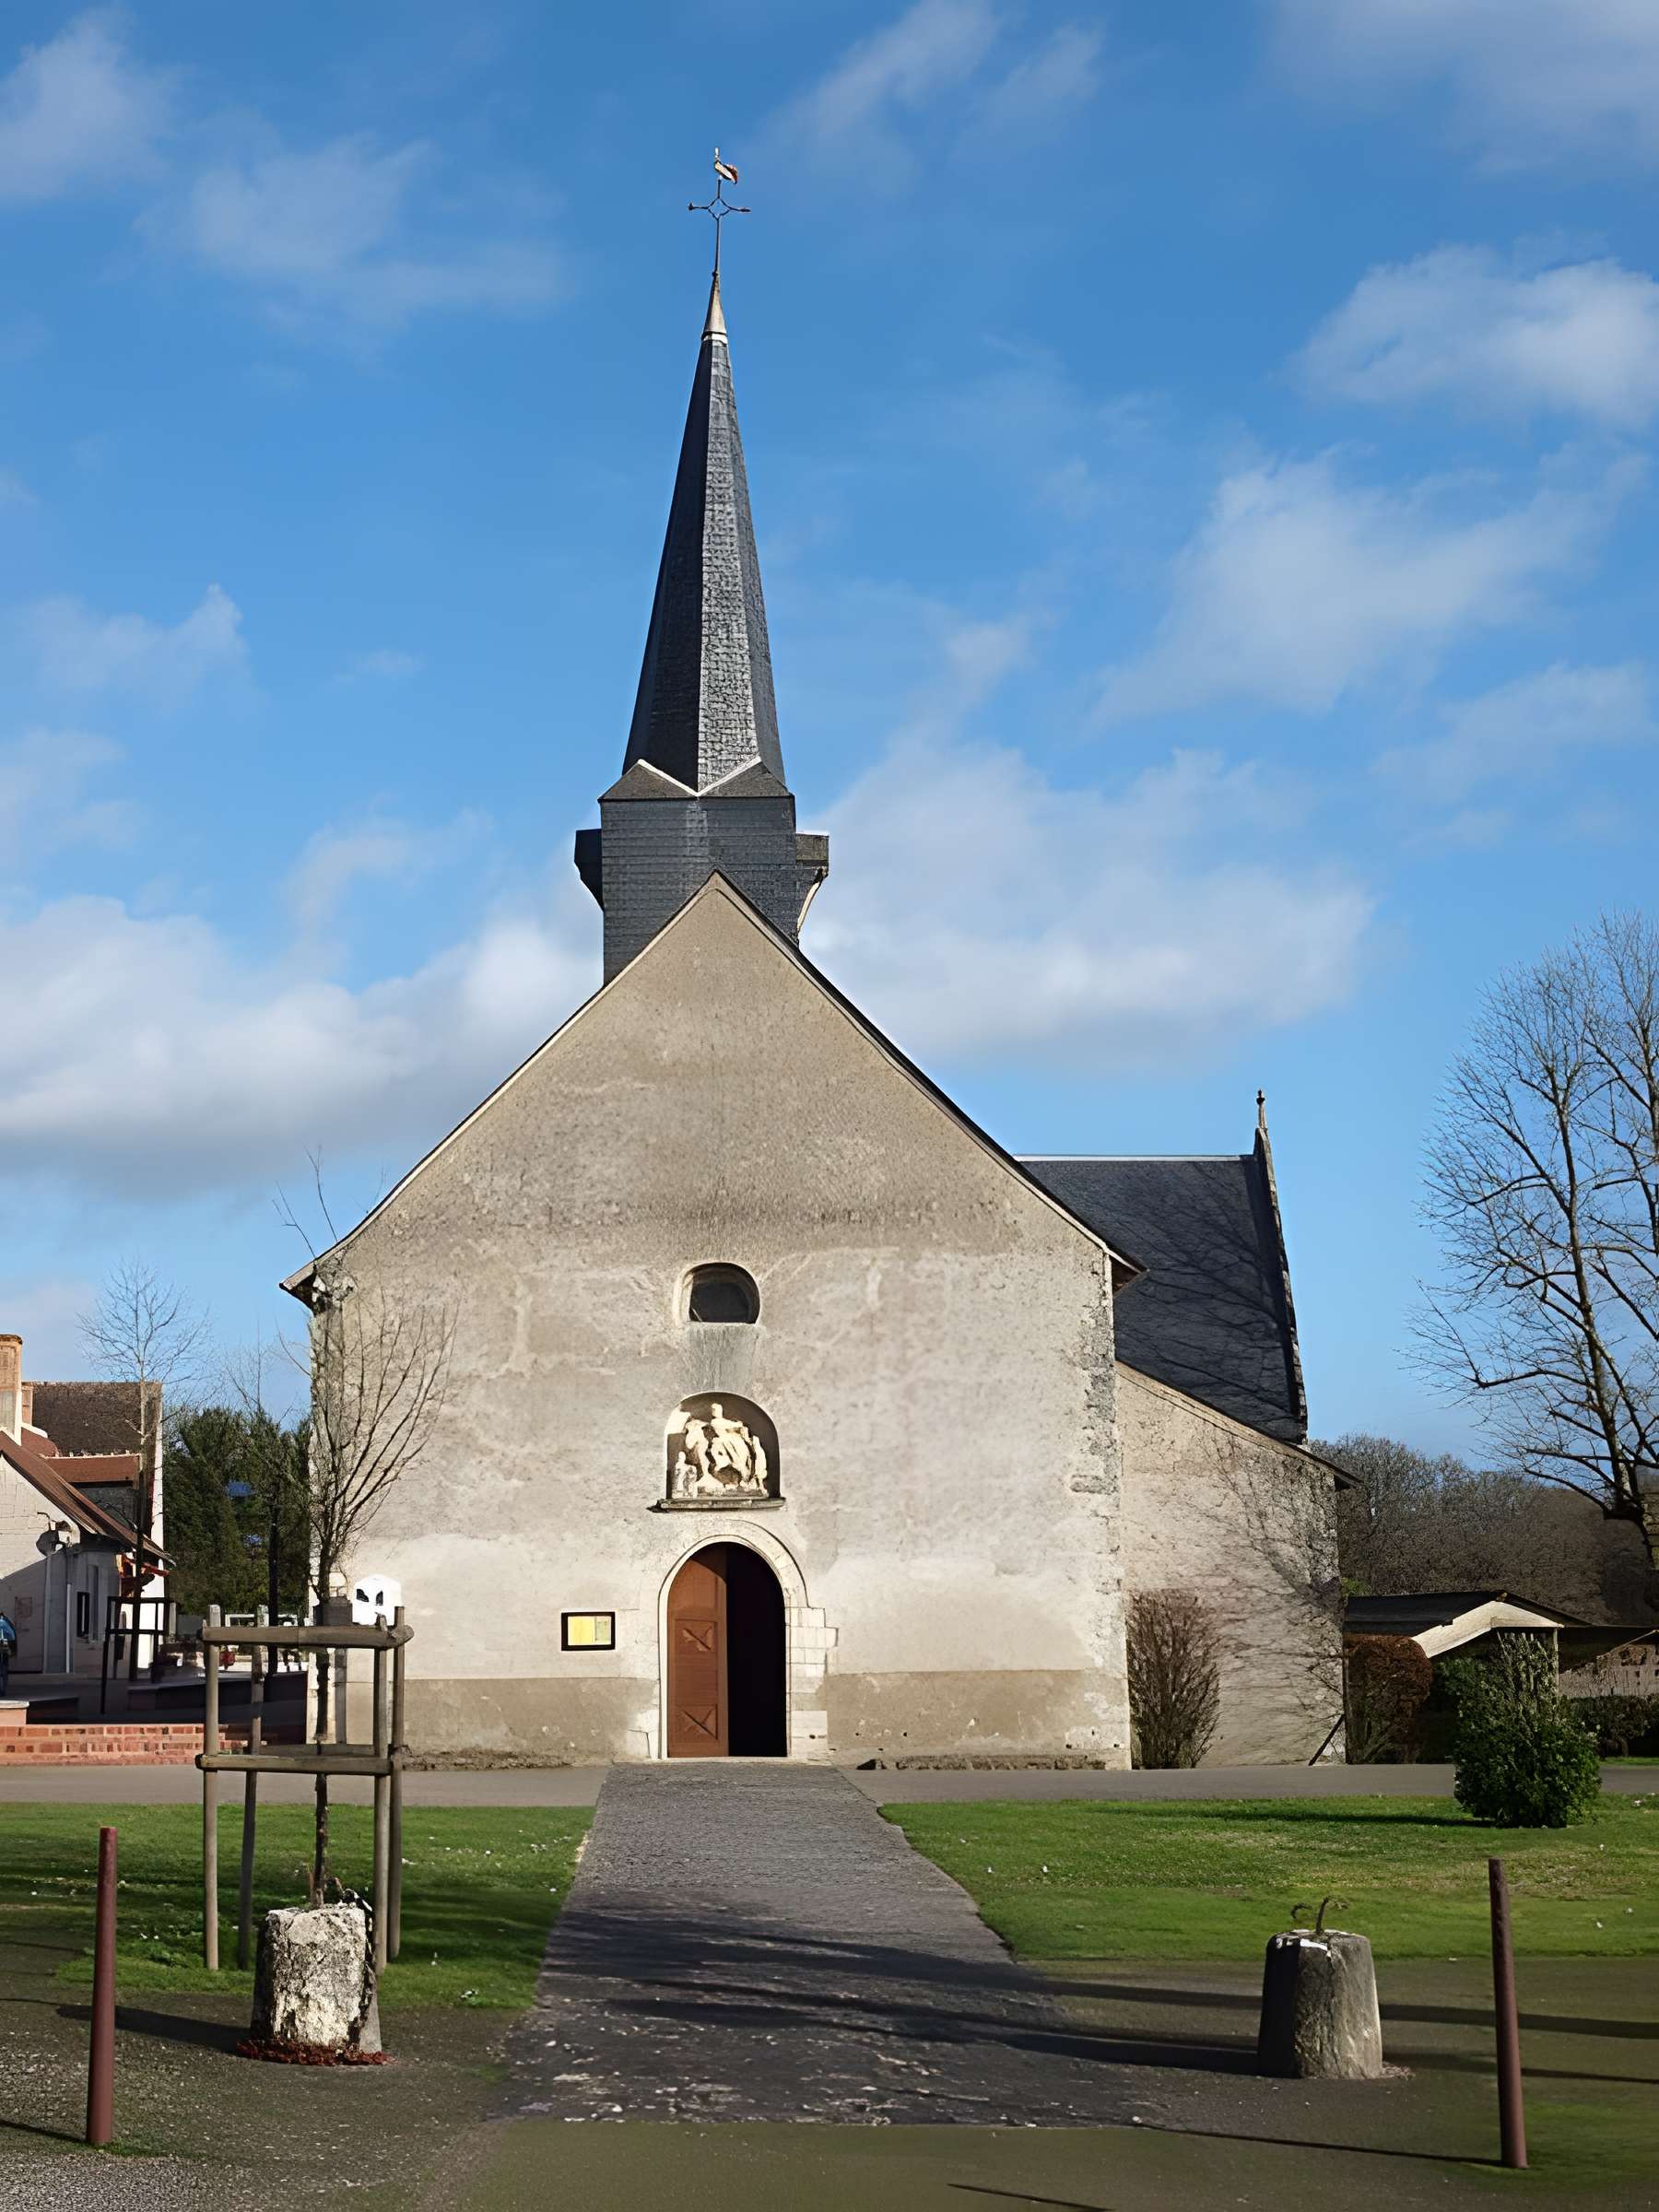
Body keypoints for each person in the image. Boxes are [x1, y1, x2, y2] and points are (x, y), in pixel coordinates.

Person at [0, 1605, 16, 1697]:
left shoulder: (2, 1622)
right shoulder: (4, 1622)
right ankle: (2, 1690)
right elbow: (11, 1635)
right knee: (3, 1669)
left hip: (2, 1644)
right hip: (4, 1644)